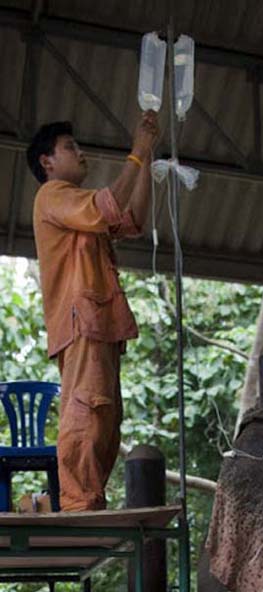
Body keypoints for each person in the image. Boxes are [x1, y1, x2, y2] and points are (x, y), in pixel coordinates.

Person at [26, 113, 159, 511]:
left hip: (100, 323)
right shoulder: (53, 196)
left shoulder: (79, 211)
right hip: (81, 323)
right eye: (70, 147)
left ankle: (78, 499)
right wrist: (137, 150)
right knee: (87, 409)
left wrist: (147, 159)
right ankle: (78, 501)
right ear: (47, 162)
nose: (80, 153)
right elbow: (109, 205)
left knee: (106, 419)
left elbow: (131, 218)